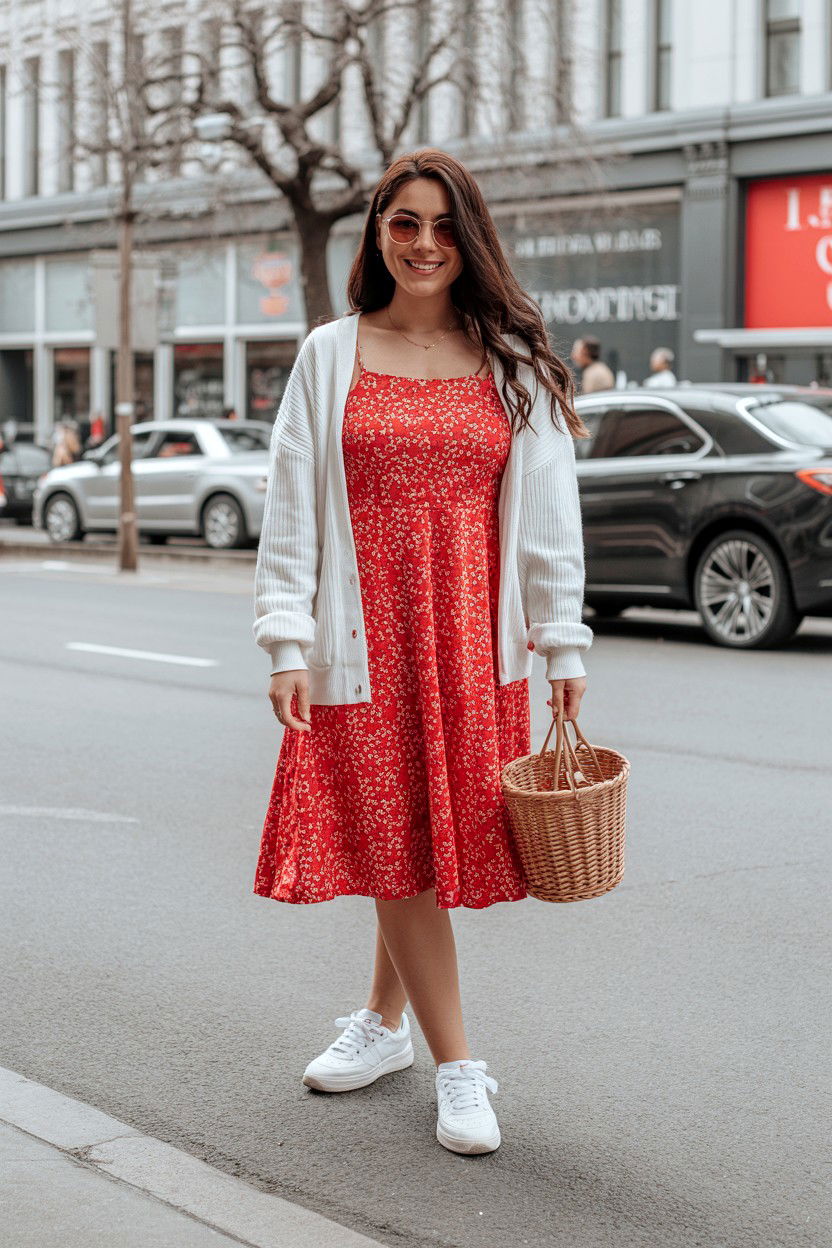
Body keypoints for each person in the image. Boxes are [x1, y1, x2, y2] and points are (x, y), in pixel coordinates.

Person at [252, 148, 593, 1157]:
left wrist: (561, 640)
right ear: (377, 234)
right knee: (397, 846)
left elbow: (549, 523)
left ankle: (383, 1027)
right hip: (363, 640)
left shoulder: (511, 363)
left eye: (443, 226)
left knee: (418, 843)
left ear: (469, 239)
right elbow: (291, 509)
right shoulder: (331, 352)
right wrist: (286, 640)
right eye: (404, 223)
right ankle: (458, 1066)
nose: (425, 244)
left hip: (469, 642)